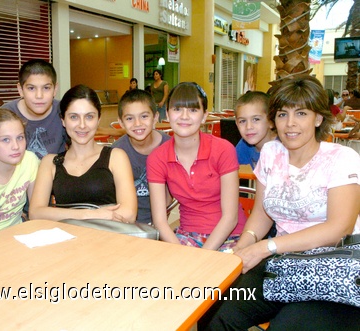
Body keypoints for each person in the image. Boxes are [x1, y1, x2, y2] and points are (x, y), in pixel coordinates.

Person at [199, 75, 360, 330]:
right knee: (214, 306)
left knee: (286, 326)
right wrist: (242, 251)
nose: (290, 124)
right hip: (282, 263)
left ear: (318, 118)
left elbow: (338, 228)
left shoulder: (341, 158)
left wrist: (266, 247)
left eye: (301, 114)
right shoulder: (272, 153)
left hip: (333, 267)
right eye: (282, 114)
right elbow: (263, 213)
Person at [147, 82, 247, 251]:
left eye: (193, 110)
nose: (184, 116)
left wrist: (203, 256)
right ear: (168, 113)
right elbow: (160, 221)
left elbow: (230, 218)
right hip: (187, 236)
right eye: (177, 109)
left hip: (231, 236)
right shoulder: (157, 158)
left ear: (204, 116)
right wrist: (181, 253)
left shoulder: (223, 150)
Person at [29, 84, 137, 223]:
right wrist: (92, 214)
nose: (82, 125)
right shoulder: (50, 162)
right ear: (63, 120)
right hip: (65, 240)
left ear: (98, 119)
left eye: (89, 117)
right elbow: (36, 212)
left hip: (108, 240)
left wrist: (61, 214)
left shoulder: (116, 157)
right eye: (74, 117)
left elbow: (128, 214)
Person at [112, 89, 170, 224]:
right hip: (125, 224)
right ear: (121, 122)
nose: (137, 124)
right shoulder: (116, 151)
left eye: (144, 116)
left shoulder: (169, 147)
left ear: (155, 117)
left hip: (160, 222)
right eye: (129, 118)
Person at [2, 59, 68, 159]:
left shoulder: (64, 111)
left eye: (46, 88)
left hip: (55, 172)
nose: (39, 96)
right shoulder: (4, 114)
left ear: (55, 89)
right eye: (31, 88)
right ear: (20, 90)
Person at [234, 91, 277, 170]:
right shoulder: (243, 146)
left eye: (256, 119)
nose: (249, 127)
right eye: (242, 121)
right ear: (237, 124)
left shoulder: (283, 147)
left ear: (271, 122)